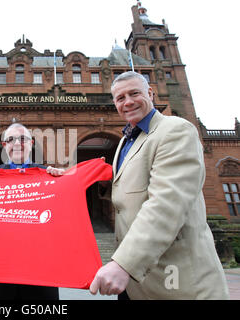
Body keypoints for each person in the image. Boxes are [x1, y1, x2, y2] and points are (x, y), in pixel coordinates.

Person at [89, 71, 229, 299]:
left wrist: (123, 264)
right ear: (114, 103)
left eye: (135, 93)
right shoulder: (127, 140)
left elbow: (167, 204)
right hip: (136, 284)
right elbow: (129, 186)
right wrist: (75, 177)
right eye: (120, 98)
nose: (128, 102)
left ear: (151, 93)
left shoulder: (176, 130)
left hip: (177, 282)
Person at [0, 122, 64, 300]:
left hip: (39, 268)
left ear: (31, 144)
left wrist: (64, 183)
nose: (17, 143)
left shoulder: (50, 175)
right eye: (11, 139)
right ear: (4, 145)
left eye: (23, 139)